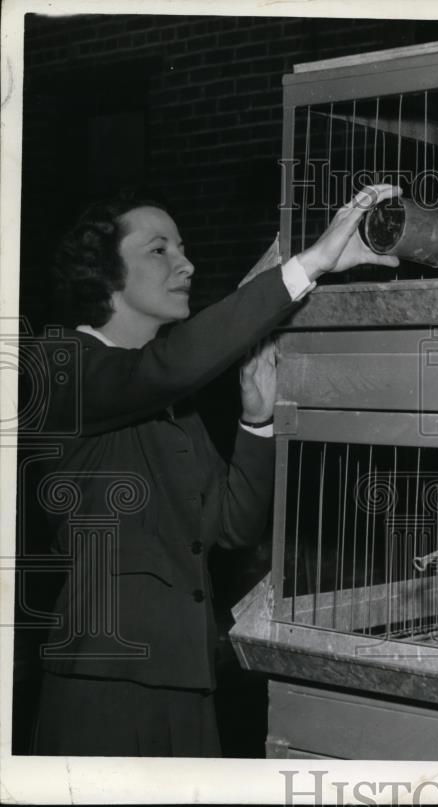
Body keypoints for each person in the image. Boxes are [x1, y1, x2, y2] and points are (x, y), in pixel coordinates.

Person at [30, 184, 400, 756]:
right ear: (104, 275)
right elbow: (171, 367)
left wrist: (256, 422)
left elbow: (230, 527)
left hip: (189, 680)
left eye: (183, 247)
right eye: (160, 250)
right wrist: (310, 264)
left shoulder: (169, 401)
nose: (187, 263)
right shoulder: (60, 366)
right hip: (105, 684)